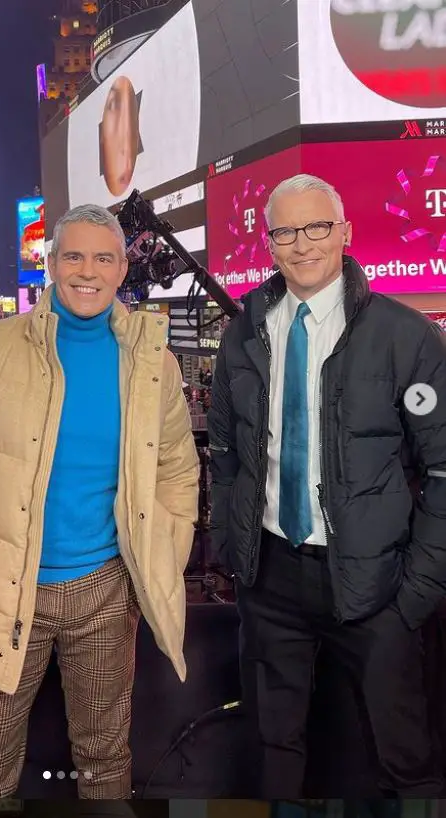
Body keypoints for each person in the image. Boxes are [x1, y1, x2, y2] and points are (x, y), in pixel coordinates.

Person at [0, 203, 199, 800]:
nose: (87, 271)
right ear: (51, 264)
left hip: (105, 590)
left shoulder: (153, 362)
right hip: (3, 587)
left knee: (104, 761)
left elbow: (176, 470)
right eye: (73, 256)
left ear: (122, 269)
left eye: (103, 257)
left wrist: (154, 565)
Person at [208, 173, 446, 798]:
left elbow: (443, 468)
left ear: (345, 232)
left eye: (317, 227)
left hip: (378, 585)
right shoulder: (245, 332)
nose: (302, 244)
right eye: (285, 231)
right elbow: (227, 454)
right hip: (271, 579)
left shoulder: (405, 335)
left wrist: (416, 591)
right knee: (274, 752)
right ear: (269, 243)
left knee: (402, 759)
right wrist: (235, 553)